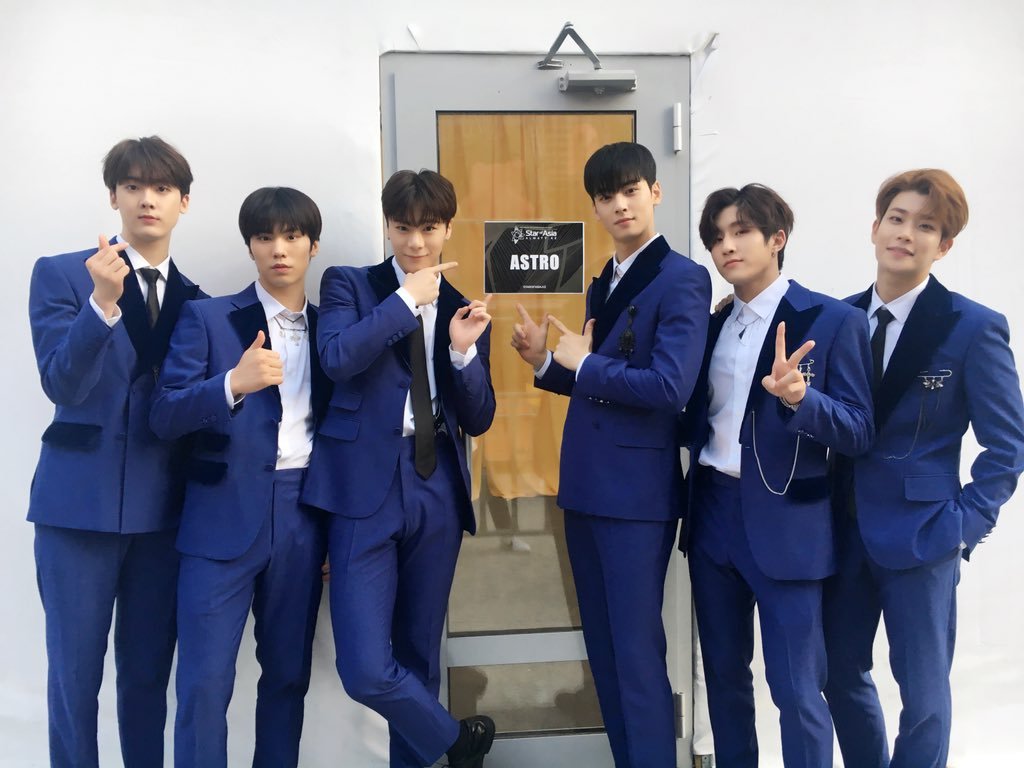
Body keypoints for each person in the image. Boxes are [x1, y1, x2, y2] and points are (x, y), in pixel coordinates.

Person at [511, 141, 711, 767]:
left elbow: (669, 388)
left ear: (655, 192)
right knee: (603, 648)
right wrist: (543, 362)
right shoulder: (606, 277)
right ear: (594, 208)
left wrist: (584, 363)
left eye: (631, 191)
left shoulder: (682, 278)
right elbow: (597, 381)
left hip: (636, 494)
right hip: (587, 484)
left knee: (635, 651)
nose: (620, 205)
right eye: (606, 196)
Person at [823, 169, 1024, 768]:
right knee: (838, 673)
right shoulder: (836, 318)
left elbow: (1007, 446)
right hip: (838, 531)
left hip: (924, 533)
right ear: (875, 227)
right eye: (897, 219)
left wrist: (964, 525)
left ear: (945, 245)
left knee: (924, 694)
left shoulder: (971, 326)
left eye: (926, 226)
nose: (906, 234)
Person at [302, 169, 497, 768]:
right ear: (386, 225)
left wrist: (463, 353)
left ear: (447, 229)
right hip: (364, 486)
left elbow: (480, 417)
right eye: (403, 227)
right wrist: (407, 300)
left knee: (419, 654)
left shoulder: (465, 306)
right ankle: (457, 742)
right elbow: (337, 358)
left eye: (429, 228)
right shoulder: (350, 284)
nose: (415, 242)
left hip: (436, 482)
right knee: (365, 667)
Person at [680, 183, 873, 768]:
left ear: (777, 239)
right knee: (723, 678)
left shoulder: (833, 320)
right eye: (717, 237)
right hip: (712, 514)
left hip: (789, 524)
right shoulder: (713, 323)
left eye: (741, 232)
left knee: (796, 688)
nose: (727, 246)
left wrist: (801, 399)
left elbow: (859, 430)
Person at [27, 135, 200, 766]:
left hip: (163, 516)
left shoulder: (197, 301)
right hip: (77, 509)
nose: (147, 199)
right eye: (133, 186)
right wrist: (101, 303)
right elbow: (62, 384)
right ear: (113, 197)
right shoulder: (62, 274)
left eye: (162, 188)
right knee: (74, 680)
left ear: (183, 202)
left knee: (148, 676)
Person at [150, 187, 330, 767]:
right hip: (218, 518)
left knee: (287, 676)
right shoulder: (208, 318)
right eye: (264, 237)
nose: (279, 249)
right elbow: (164, 414)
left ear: (313, 246)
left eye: (292, 237)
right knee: (203, 683)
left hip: (302, 515)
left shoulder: (332, 331)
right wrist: (232, 383)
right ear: (250, 246)